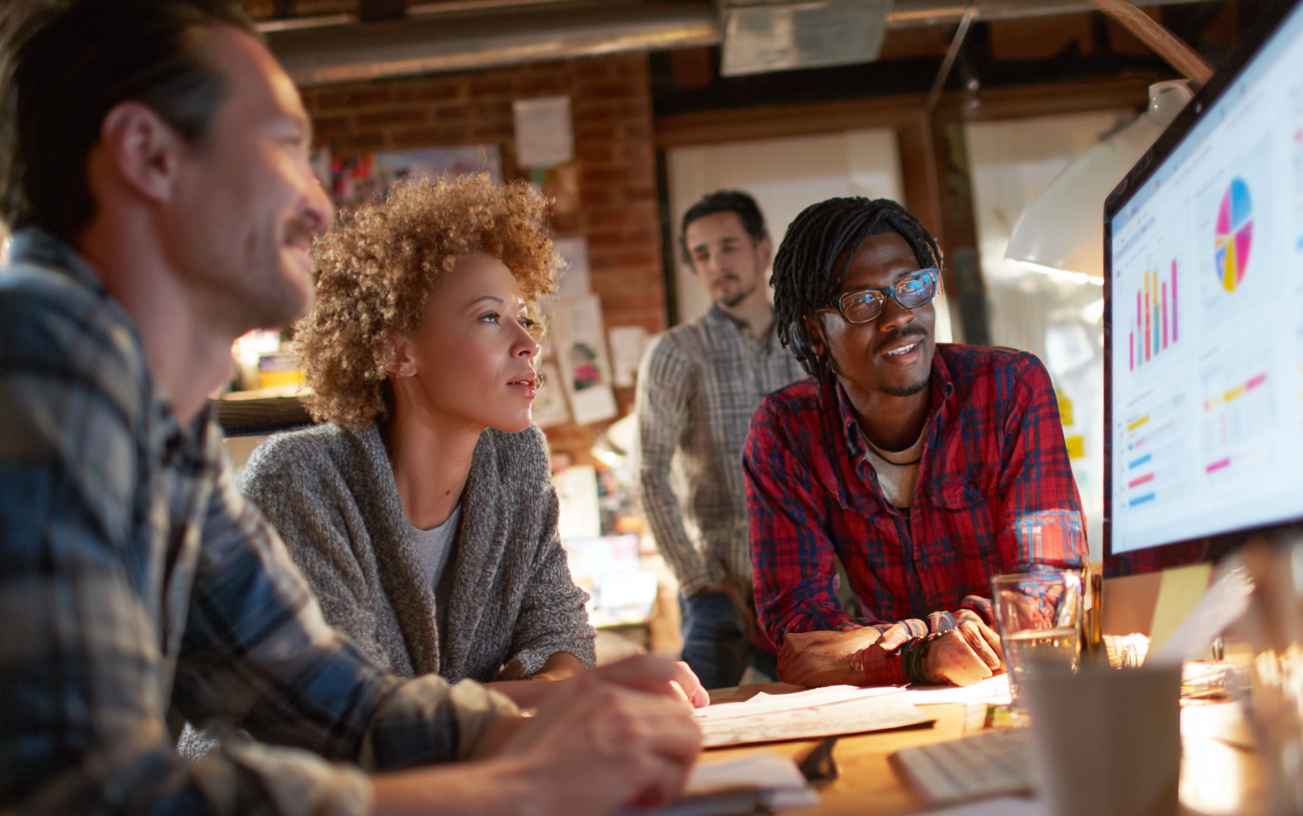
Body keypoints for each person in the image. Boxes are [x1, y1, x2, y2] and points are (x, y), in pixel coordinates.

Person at [0, 2, 705, 814]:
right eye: (287, 147)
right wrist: (517, 783)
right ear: (148, 154)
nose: (319, 205)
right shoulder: (38, 361)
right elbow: (86, 796)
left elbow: (324, 696)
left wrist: (525, 726)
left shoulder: (161, 420)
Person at [235, 176, 594, 708]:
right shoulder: (297, 480)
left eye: (524, 317)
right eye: (490, 317)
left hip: (450, 775)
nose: (528, 343)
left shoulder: (516, 459)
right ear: (397, 352)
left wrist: (548, 696)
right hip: (280, 787)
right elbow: (353, 707)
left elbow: (562, 637)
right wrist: (524, 710)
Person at [743, 197, 1088, 688]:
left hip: (1022, 686)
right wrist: (920, 655)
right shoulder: (786, 432)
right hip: (894, 704)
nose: (898, 317)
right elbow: (799, 634)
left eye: (913, 286)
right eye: (862, 301)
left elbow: (1050, 587)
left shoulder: (1010, 387)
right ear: (815, 332)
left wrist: (909, 643)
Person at [636, 191, 805, 688]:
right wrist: (697, 581)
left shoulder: (809, 343)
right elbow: (648, 472)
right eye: (701, 254)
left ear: (762, 249)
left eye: (728, 247)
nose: (716, 265)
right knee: (696, 729)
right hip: (720, 593)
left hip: (811, 589)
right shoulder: (676, 353)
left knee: (836, 727)